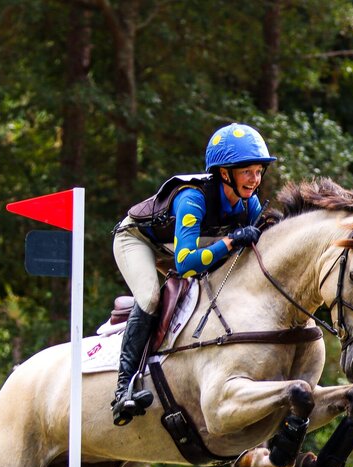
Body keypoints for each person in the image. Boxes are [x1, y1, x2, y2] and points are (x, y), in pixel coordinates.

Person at [109, 122, 277, 426]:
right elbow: (186, 262)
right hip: (138, 241)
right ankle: (122, 390)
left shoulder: (249, 204)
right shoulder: (193, 198)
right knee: (149, 296)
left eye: (258, 172)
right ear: (225, 173)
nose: (255, 180)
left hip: (174, 246)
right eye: (247, 172)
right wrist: (230, 241)